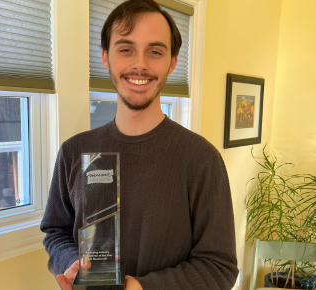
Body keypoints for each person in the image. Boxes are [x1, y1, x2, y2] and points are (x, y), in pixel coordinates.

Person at [40, 0, 238, 289]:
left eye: (154, 51)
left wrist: (141, 287)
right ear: (106, 57)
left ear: (172, 62)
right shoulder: (74, 151)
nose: (140, 64)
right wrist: (72, 263)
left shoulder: (201, 159)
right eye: (126, 49)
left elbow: (219, 267)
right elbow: (56, 231)